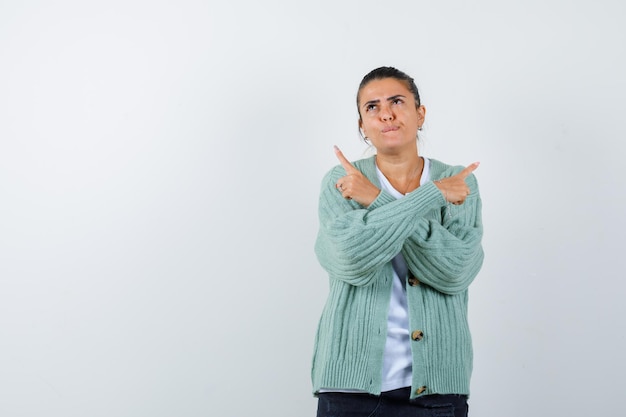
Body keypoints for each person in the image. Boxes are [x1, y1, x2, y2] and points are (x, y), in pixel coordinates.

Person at [311, 66, 484, 417]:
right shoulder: (342, 180)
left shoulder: (456, 181)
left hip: (436, 388)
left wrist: (376, 200)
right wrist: (429, 198)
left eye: (396, 101)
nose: (385, 113)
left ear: (420, 113)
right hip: (350, 387)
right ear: (362, 125)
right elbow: (350, 260)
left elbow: (455, 271)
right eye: (371, 107)